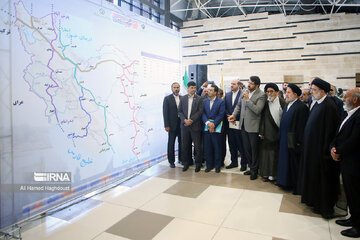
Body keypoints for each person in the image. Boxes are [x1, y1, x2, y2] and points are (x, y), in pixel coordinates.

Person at [300, 77, 341, 219]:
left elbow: (329, 131)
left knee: (322, 180)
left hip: (321, 151)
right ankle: (313, 201)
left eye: (314, 90)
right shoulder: (316, 103)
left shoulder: (329, 106)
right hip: (312, 149)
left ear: (323, 91)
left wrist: (324, 151)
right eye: (311, 89)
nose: (311, 92)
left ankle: (322, 206)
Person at [330, 88, 360, 238]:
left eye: (346, 96)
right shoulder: (350, 113)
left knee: (356, 193)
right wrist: (334, 148)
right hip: (345, 159)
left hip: (354, 162)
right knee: (350, 192)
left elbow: (354, 140)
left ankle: (358, 226)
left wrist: (339, 150)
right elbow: (340, 133)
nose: (343, 99)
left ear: (355, 99)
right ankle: (353, 218)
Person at [228, 76, 266, 180]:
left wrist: (247, 100)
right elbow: (238, 106)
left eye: (251, 83)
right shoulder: (245, 91)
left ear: (257, 85)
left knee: (254, 150)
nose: (249, 85)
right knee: (247, 149)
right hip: (243, 125)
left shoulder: (261, 95)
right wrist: (233, 115)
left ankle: (255, 170)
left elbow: (258, 110)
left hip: (253, 127)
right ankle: (250, 167)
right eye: (248, 82)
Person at [277, 84, 308, 193]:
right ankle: (283, 181)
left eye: (289, 92)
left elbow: (301, 126)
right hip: (284, 138)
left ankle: (293, 185)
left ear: (295, 94)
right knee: (284, 161)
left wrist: (298, 142)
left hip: (292, 140)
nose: (286, 94)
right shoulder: (287, 105)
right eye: (286, 92)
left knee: (292, 162)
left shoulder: (301, 107)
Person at [258, 83, 285, 182]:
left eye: (271, 91)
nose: (269, 93)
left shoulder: (282, 102)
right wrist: (261, 132)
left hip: (277, 133)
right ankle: (266, 174)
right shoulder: (266, 103)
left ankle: (275, 176)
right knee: (266, 155)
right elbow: (262, 119)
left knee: (275, 155)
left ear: (277, 92)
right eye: (268, 91)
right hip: (267, 133)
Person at [178, 81, 204, 172]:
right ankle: (186, 163)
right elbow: (179, 111)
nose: (193, 89)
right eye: (192, 87)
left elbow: (200, 111)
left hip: (195, 126)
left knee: (197, 146)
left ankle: (198, 163)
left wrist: (191, 120)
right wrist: (185, 120)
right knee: (185, 145)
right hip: (185, 126)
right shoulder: (183, 98)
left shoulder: (199, 99)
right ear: (188, 88)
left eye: (194, 88)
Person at [225, 79, 248, 171]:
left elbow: (243, 108)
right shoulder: (227, 95)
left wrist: (235, 117)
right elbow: (225, 107)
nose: (231, 85)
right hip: (229, 123)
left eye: (233, 84)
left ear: (238, 85)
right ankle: (233, 162)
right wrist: (229, 116)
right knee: (231, 144)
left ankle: (243, 164)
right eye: (231, 84)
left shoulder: (243, 94)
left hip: (239, 123)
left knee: (241, 145)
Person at [202, 84, 225, 173]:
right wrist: (208, 123)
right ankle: (209, 165)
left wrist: (213, 124)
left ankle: (217, 165)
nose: (208, 91)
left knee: (217, 147)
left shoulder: (221, 102)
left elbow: (221, 114)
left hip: (217, 127)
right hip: (207, 127)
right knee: (208, 147)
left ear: (215, 92)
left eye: (211, 90)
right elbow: (203, 113)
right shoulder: (204, 101)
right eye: (208, 90)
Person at [162, 82, 182, 168]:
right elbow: (165, 113)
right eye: (174, 87)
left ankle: (181, 159)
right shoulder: (167, 99)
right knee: (171, 143)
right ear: (172, 89)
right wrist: (166, 125)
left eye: (177, 87)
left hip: (181, 124)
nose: (176, 89)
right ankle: (171, 161)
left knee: (181, 143)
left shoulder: (183, 98)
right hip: (171, 125)